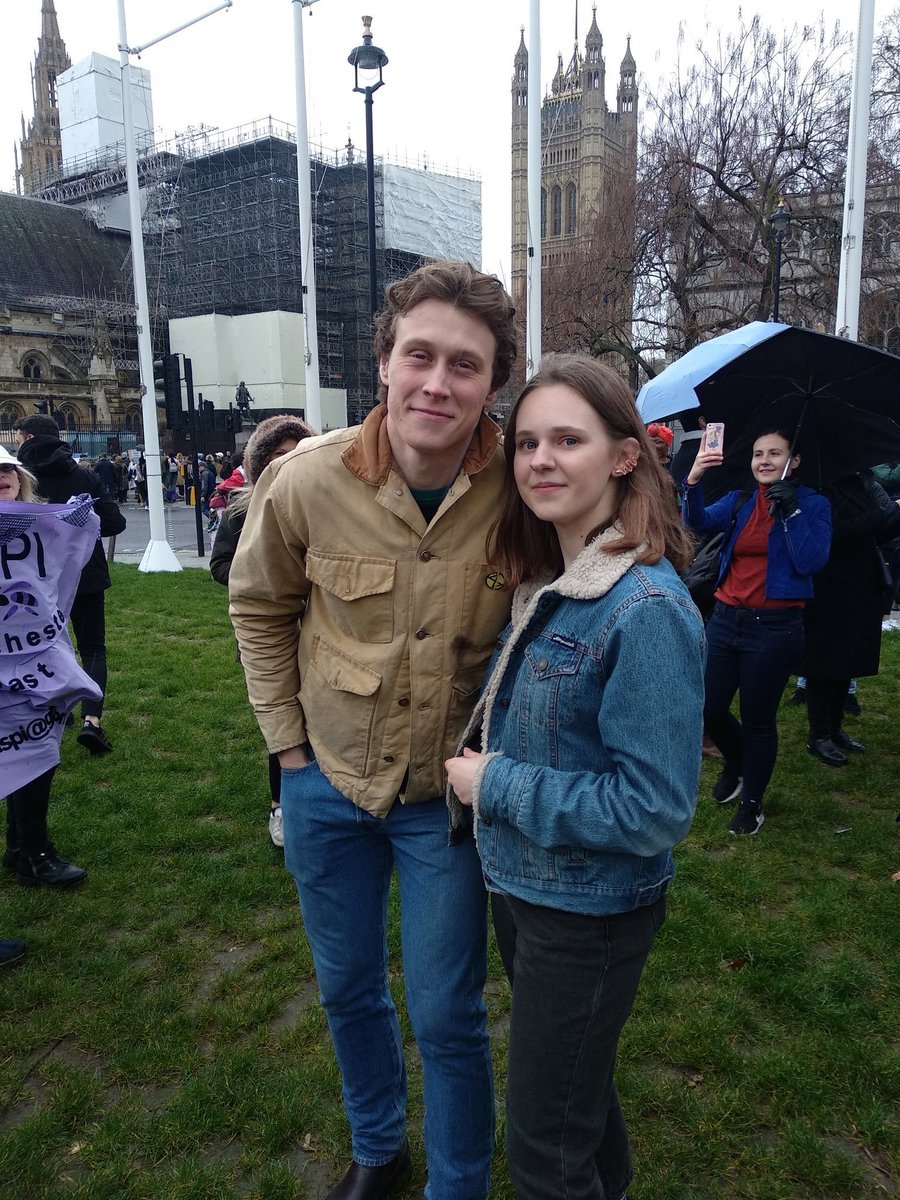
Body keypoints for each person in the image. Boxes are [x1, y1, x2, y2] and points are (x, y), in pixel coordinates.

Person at [229, 260, 518, 1200]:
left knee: (447, 1014)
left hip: (445, 803)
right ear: (384, 364)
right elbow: (257, 606)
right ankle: (379, 1149)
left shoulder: (526, 487)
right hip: (327, 785)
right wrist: (287, 751)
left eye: (464, 366)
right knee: (349, 991)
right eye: (420, 356)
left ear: (492, 382)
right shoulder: (305, 483)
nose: (438, 382)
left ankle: (458, 1186)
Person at [445, 353, 705, 1200]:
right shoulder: (558, 578)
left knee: (543, 1155)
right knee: (574, 1101)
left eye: (567, 439)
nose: (540, 461)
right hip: (532, 892)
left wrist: (498, 785)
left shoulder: (644, 607)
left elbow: (655, 809)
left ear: (625, 456)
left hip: (584, 917)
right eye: (526, 443)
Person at [683, 427, 831, 834]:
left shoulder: (814, 505)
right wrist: (693, 479)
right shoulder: (742, 499)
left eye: (774, 453)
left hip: (775, 628)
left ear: (793, 461)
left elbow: (811, 561)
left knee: (758, 719)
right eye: (757, 454)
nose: (763, 461)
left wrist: (792, 514)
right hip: (727, 620)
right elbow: (697, 522)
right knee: (708, 707)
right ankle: (736, 760)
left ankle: (752, 803)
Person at [209, 414, 315, 846]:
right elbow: (220, 566)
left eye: (296, 454)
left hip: (320, 635)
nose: (286, 463)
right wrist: (265, 571)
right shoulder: (241, 510)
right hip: (274, 634)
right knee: (283, 720)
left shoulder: (319, 505)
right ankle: (281, 806)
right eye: (277, 456)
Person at [0, 446, 102, 886]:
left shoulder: (41, 522)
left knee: (37, 747)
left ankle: (26, 848)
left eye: (6, 469)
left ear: (20, 476)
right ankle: (31, 850)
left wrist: (76, 520)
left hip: (38, 655)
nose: (1, 476)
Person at [14, 414, 126, 756]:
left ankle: (49, 715)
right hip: (84, 573)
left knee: (42, 648)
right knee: (93, 647)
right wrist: (79, 531)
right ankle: (92, 719)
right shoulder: (83, 475)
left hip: (35, 577)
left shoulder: (17, 476)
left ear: (28, 437)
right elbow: (113, 521)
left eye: (18, 437)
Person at [800, 472, 900, 765]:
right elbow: (836, 533)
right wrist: (888, 512)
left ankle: (834, 727)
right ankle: (818, 734)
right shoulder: (816, 486)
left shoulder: (858, 483)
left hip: (861, 583)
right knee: (825, 661)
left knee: (847, 660)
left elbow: (877, 532)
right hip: (829, 586)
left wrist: (894, 517)